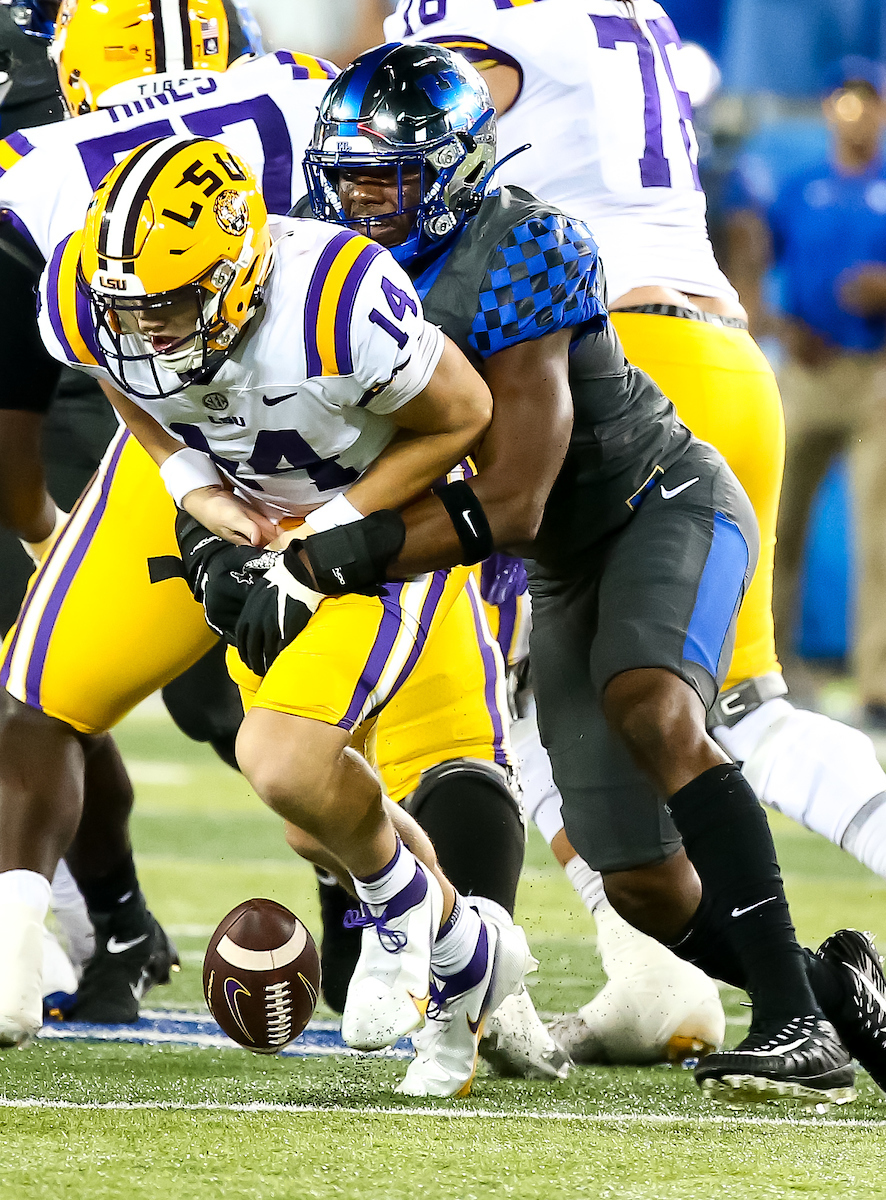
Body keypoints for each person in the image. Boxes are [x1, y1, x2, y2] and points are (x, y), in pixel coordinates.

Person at [384, 0, 886, 1075]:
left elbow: (423, 122)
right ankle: (832, 941)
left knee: (522, 697)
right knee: (743, 706)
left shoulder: (476, 31)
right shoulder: (634, 15)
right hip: (725, 350)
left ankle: (629, 970)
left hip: (604, 365)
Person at [34, 133, 541, 1098]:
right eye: (127, 309)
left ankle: (407, 927)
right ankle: (468, 957)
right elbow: (118, 381)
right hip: (264, 529)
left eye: (170, 306)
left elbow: (464, 413)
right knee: (317, 821)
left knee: (283, 757)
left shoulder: (335, 302)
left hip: (375, 534)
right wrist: (200, 493)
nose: (147, 332)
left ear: (233, 278)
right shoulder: (97, 303)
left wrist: (334, 531)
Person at [0, 0, 336, 1040]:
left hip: (159, 422)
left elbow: (25, 365)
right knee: (296, 708)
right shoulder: (297, 82)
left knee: (71, 691)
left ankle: (421, 939)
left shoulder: (37, 161)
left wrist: (42, 519)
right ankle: (104, 927)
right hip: (330, 420)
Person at [731, 57, 886, 728]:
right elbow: (757, 258)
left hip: (875, 371)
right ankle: (768, 669)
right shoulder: (800, 186)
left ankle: (882, 684)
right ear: (829, 108)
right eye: (847, 100)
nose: (858, 112)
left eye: (871, 101)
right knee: (772, 520)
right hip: (807, 369)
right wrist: (781, 328)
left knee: (884, 533)